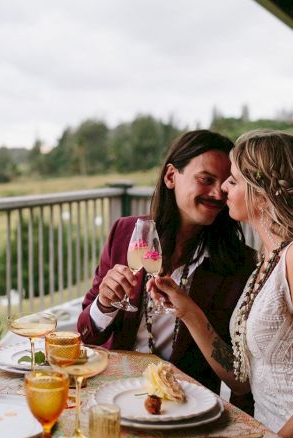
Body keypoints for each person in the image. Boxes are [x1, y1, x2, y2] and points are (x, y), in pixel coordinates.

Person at [151, 130, 293, 438]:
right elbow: (240, 379)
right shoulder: (266, 261)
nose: (223, 189)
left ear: (263, 191)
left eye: (233, 181)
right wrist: (188, 310)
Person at [77, 130, 256, 410]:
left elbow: (239, 372)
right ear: (171, 176)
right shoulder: (126, 232)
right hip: (113, 393)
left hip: (184, 405)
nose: (216, 193)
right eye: (206, 180)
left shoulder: (239, 264)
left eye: (225, 184)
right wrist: (104, 303)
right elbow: (87, 333)